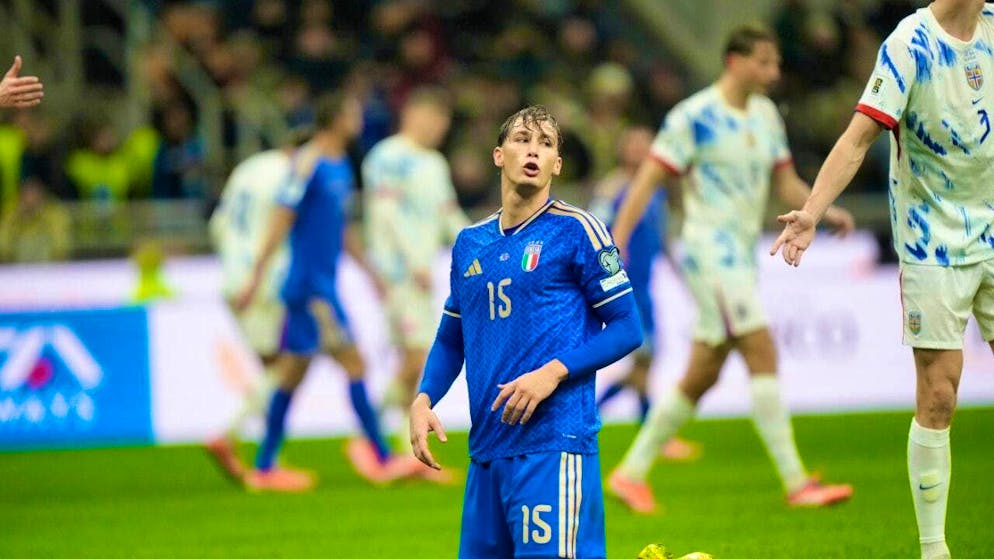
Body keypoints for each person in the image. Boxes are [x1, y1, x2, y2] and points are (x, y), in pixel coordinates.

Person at [770, 3, 994, 557]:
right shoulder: (909, 43)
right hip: (932, 241)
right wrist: (813, 212)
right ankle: (934, 546)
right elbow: (857, 138)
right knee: (940, 393)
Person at [606, 23, 855, 514]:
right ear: (734, 61)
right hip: (708, 252)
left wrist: (818, 208)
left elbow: (784, 182)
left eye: (776, 62)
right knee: (760, 348)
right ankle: (796, 481)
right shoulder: (693, 116)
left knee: (703, 372)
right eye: (764, 61)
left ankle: (629, 474)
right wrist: (619, 235)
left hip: (740, 255)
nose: (774, 71)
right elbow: (649, 178)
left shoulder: (765, 116)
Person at [410, 105, 643, 558]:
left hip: (554, 444)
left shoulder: (577, 229)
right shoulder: (470, 242)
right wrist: (423, 399)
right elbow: (450, 337)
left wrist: (553, 372)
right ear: (499, 155)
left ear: (557, 164)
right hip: (487, 451)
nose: (532, 150)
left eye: (546, 144)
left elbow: (628, 327)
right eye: (521, 139)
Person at [234, 92, 409, 492]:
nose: (359, 117)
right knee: (355, 363)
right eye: (353, 111)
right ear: (336, 118)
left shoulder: (341, 166)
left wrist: (369, 272)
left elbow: (341, 228)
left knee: (291, 374)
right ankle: (382, 458)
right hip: (310, 289)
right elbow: (282, 217)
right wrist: (255, 276)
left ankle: (264, 467)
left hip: (321, 286)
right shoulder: (308, 162)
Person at [362, 87, 468, 463]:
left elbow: (448, 215)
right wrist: (411, 263)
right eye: (436, 120)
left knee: (415, 361)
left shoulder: (433, 164)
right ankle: (369, 429)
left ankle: (402, 448)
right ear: (415, 115)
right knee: (418, 356)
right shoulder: (387, 156)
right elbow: (386, 215)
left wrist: (485, 248)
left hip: (420, 273)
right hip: (399, 273)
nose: (439, 129)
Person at [588, 125, 700, 462]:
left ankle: (603, 420)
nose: (640, 150)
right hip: (622, 288)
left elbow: (661, 236)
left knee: (646, 364)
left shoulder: (657, 191)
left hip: (646, 287)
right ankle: (637, 429)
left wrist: (681, 274)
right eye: (634, 144)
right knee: (644, 359)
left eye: (645, 144)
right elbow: (594, 231)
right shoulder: (612, 188)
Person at [204, 147, 293, 481]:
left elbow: (218, 225)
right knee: (287, 367)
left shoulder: (247, 169)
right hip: (264, 282)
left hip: (232, 276)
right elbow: (285, 224)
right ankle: (230, 434)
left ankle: (268, 456)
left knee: (274, 367)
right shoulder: (290, 174)